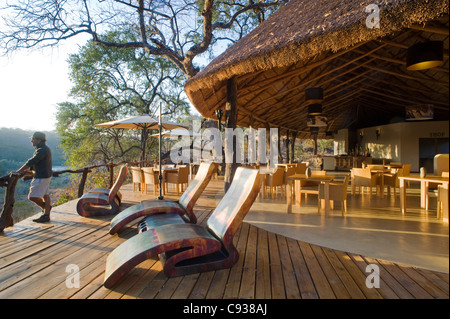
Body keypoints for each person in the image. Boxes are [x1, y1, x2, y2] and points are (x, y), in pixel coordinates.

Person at [16, 132, 53, 223]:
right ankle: (46, 214)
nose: (31, 140)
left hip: (41, 177)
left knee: (32, 197)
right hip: (45, 175)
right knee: (45, 195)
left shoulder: (42, 150)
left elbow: (31, 162)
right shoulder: (43, 149)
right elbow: (37, 165)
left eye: (33, 139)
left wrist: (17, 172)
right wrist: (27, 172)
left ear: (39, 140)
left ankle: (46, 209)